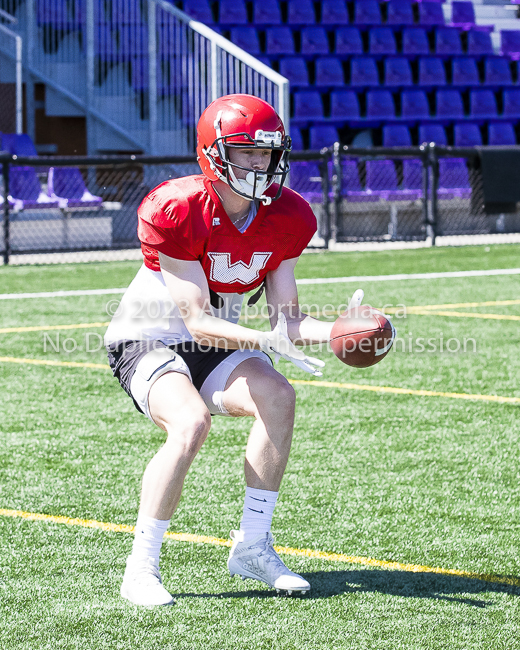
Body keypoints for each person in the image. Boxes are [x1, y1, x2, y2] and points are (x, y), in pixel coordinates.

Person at [104, 93, 362, 606]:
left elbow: (287, 321)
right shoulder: (177, 207)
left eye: (266, 153)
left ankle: (253, 547)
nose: (258, 163)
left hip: (221, 337)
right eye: (246, 151)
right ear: (214, 152)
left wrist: (344, 330)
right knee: (191, 423)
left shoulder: (286, 215)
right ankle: (141, 567)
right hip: (148, 337)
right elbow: (197, 321)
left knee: (278, 396)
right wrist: (267, 340)